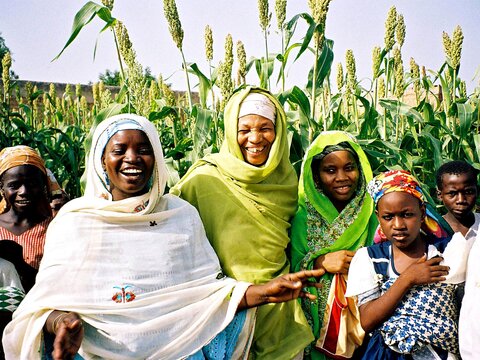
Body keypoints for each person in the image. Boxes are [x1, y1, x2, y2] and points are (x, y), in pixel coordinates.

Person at [2, 114, 325, 360]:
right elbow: (44, 304)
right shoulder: (76, 221)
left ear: (156, 157)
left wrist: (264, 292)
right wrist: (61, 322)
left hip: (180, 350)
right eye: (119, 150)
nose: (132, 158)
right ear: (102, 160)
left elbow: (204, 297)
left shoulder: (179, 215)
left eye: (143, 149)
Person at [171, 86, 312, 359]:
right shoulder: (204, 179)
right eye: (244, 129)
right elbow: (164, 221)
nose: (255, 138)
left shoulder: (286, 180)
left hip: (280, 312)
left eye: (265, 128)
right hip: (226, 311)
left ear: (279, 132)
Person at [346, 170, 465, 359]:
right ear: (378, 217)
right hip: (386, 354)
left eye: (407, 214)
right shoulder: (369, 258)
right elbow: (367, 320)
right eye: (388, 217)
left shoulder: (448, 252)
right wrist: (407, 279)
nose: (398, 225)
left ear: (422, 212)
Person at [289, 131, 378, 359]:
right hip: (312, 329)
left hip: (365, 323)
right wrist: (320, 263)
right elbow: (288, 273)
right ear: (316, 176)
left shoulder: (373, 212)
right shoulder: (301, 218)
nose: (341, 177)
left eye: (349, 167)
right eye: (330, 170)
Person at [435, 161, 480, 359]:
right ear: (439, 195)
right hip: (444, 323)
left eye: (468, 192)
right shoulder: (431, 231)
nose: (461, 200)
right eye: (452, 194)